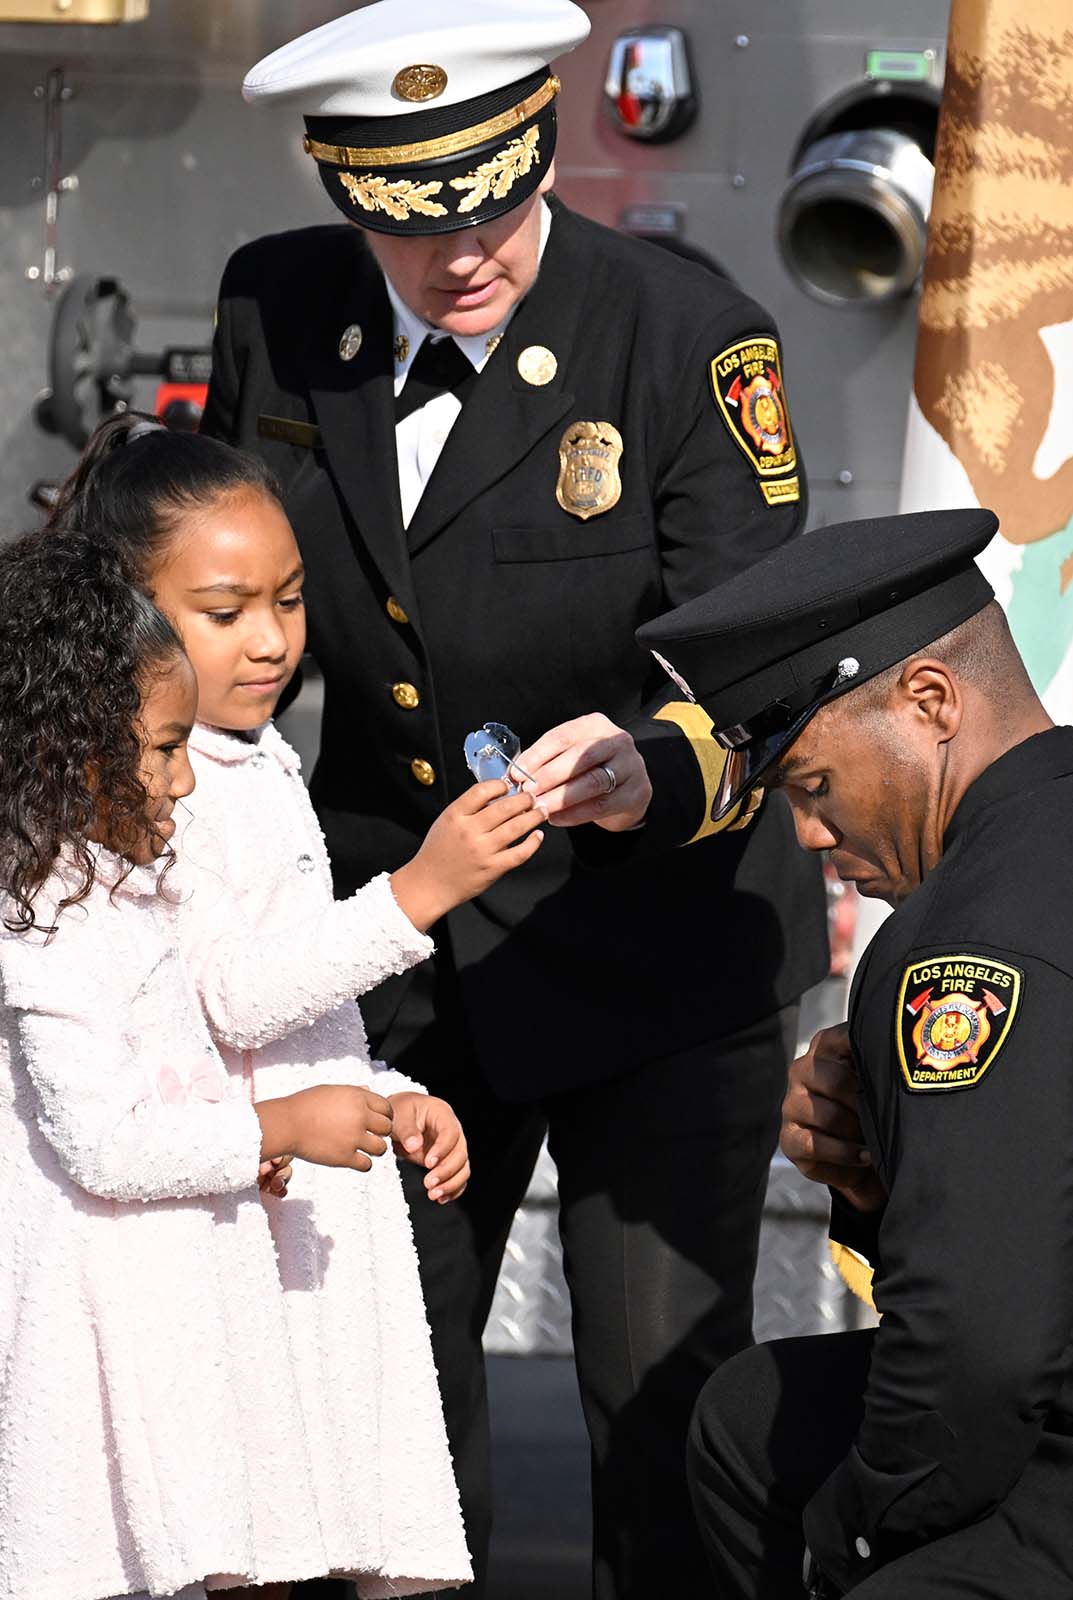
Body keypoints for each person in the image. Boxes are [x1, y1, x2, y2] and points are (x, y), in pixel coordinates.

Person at [200, 3, 829, 1593]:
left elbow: (763, 652)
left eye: (489, 206)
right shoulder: (277, 309)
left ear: (542, 157)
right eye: (411, 227)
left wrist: (646, 762)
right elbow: (207, 575)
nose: (460, 255)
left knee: (664, 1413)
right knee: (382, 1400)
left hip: (659, 948)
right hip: (405, 934)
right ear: (347, 199)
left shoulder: (686, 333)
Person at [0, 529, 472, 1600]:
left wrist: (377, 1096)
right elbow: (105, 1139)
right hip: (92, 1343)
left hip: (178, 1316)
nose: (179, 782)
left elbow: (205, 1062)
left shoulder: (134, 878)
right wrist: (268, 1133)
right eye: (163, 750)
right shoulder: (45, 917)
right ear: (67, 749)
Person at [639, 507, 1073, 1597]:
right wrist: (875, 1171)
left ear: (928, 701)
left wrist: (858, 1537)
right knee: (751, 1423)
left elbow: (975, 1340)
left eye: (813, 786)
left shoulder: (960, 950)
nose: (808, 838)